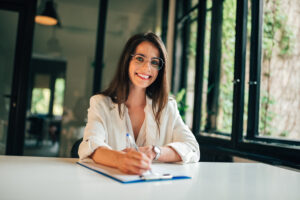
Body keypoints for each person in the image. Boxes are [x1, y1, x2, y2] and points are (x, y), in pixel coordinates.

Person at [78, 32, 200, 175]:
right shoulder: (100, 104)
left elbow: (192, 148)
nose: (147, 68)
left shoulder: (167, 106)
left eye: (154, 62)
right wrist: (120, 160)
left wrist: (155, 151)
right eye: (140, 58)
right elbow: (90, 145)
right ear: (127, 61)